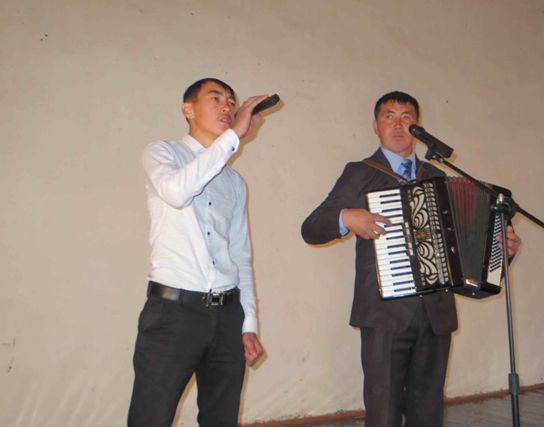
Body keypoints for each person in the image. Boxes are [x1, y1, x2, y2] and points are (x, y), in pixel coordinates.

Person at [301, 91, 521, 427]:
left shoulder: (438, 178)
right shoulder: (360, 173)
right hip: (384, 315)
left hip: (436, 315)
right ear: (375, 126)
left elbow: (462, 257)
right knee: (384, 413)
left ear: (418, 126)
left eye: (406, 117)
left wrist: (501, 252)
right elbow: (312, 228)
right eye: (388, 116)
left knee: (428, 413)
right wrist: (347, 217)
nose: (398, 124)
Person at [128, 78, 268, 427]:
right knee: (151, 418)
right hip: (173, 313)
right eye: (215, 98)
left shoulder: (234, 182)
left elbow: (240, 256)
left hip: (227, 315)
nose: (227, 106)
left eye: (231, 101)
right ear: (187, 110)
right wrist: (231, 137)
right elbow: (176, 193)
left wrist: (248, 323)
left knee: (222, 419)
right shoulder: (162, 153)